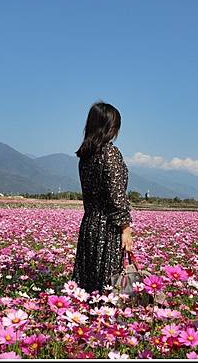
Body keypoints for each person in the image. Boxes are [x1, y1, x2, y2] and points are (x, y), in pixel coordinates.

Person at [71, 101, 133, 294]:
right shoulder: (110, 153)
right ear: (108, 127)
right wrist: (125, 228)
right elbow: (116, 195)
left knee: (89, 284)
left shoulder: (85, 156)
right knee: (109, 284)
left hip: (89, 224)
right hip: (108, 228)